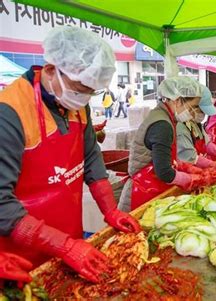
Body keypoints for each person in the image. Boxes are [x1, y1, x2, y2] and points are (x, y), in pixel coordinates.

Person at [0, 26, 140, 283]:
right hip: (20, 257)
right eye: (80, 87)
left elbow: (91, 158)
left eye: (91, 91)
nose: (84, 97)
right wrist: (63, 246)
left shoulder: (75, 106)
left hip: (71, 242)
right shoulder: (9, 112)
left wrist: (110, 211)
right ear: (52, 69)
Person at [119, 77, 214, 212]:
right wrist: (190, 179)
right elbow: (164, 172)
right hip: (142, 192)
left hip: (150, 187)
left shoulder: (164, 116)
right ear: (178, 101)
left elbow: (164, 157)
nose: (193, 112)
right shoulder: (162, 125)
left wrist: (184, 166)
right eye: (192, 107)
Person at [177, 85, 216, 165]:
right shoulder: (179, 127)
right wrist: (215, 166)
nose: (203, 114)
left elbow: (207, 144)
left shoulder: (194, 123)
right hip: (187, 171)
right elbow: (191, 158)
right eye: (201, 110)